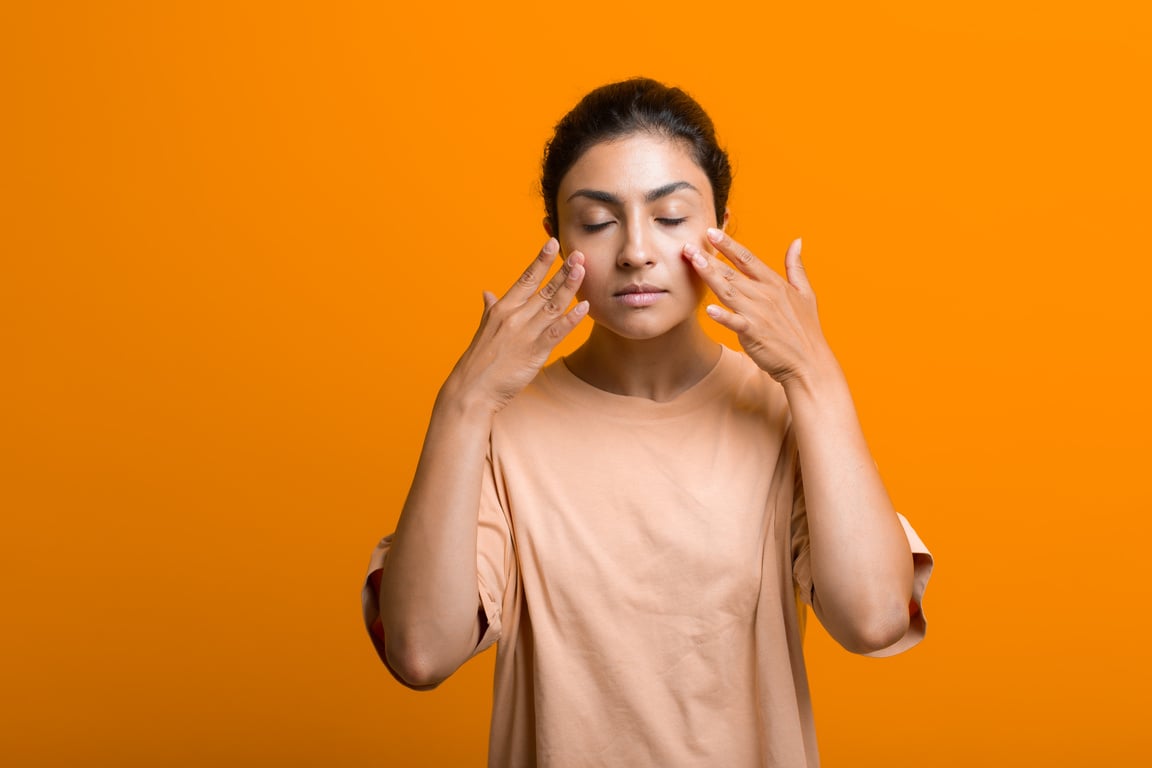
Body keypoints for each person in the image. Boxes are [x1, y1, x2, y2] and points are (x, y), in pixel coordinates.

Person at [362, 77, 933, 767]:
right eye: (598, 222)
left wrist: (817, 377)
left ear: (720, 224)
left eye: (669, 217)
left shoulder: (784, 411)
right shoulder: (499, 428)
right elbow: (421, 652)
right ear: (557, 237)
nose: (635, 250)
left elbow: (873, 620)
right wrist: (461, 404)